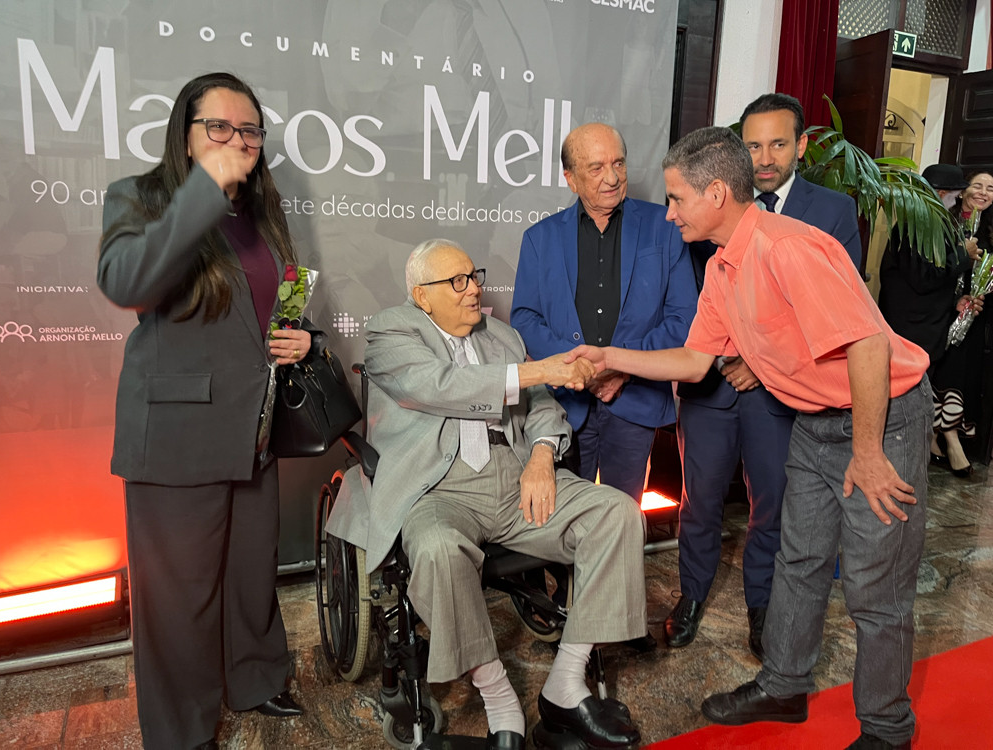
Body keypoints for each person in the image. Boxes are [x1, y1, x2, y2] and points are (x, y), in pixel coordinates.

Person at [568, 127, 931, 750]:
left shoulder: (788, 248)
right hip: (814, 420)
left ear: (715, 193)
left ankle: (887, 728)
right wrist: (611, 357)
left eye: (677, 199)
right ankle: (785, 685)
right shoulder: (723, 264)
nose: (670, 212)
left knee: (876, 585)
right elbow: (694, 362)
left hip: (881, 415)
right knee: (799, 559)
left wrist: (868, 453)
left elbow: (868, 345)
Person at [326, 239, 647, 749]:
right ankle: (498, 697)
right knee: (437, 549)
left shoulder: (502, 335)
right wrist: (544, 369)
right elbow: (439, 385)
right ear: (422, 295)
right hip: (438, 486)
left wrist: (541, 455)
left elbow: (542, 407)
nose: (473, 289)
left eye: (473, 276)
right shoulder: (392, 331)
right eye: (457, 282)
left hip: (515, 475)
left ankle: (565, 684)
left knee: (617, 514)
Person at [97, 72, 315, 749]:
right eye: (218, 127)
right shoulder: (140, 196)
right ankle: (181, 731)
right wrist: (203, 192)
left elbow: (273, 299)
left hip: (254, 428)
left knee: (250, 576)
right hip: (178, 435)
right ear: (185, 136)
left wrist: (300, 336)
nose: (237, 140)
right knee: (178, 599)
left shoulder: (262, 212)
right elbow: (128, 282)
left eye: (249, 130)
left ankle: (254, 679)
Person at [667, 93, 862, 659]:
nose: (765, 157)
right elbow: (693, 292)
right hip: (708, 383)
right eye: (752, 145)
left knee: (772, 501)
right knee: (699, 500)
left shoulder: (831, 212)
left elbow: (840, 313)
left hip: (775, 391)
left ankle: (762, 604)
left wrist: (758, 360)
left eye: (778, 143)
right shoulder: (701, 205)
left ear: (801, 145)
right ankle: (692, 594)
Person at [511, 122, 697, 501]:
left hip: (635, 402)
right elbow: (525, 318)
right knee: (561, 518)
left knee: (622, 516)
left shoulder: (665, 228)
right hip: (565, 403)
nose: (612, 178)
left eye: (619, 163)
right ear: (570, 178)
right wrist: (579, 370)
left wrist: (621, 368)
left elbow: (683, 318)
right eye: (596, 168)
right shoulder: (540, 239)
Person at [877, 164, 986, 477]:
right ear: (941, 193)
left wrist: (955, 303)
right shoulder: (916, 226)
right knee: (903, 408)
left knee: (915, 407)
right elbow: (924, 279)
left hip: (924, 330)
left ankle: (907, 464)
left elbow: (932, 281)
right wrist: (964, 255)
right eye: (955, 195)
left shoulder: (931, 222)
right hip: (910, 333)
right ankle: (896, 468)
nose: (957, 201)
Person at [929, 170, 993, 475]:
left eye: (990, 189)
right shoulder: (945, 220)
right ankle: (948, 437)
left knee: (964, 373)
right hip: (942, 311)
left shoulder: (989, 228)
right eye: (977, 185)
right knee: (945, 369)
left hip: (975, 316)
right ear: (963, 190)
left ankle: (939, 435)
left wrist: (980, 296)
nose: (983, 192)